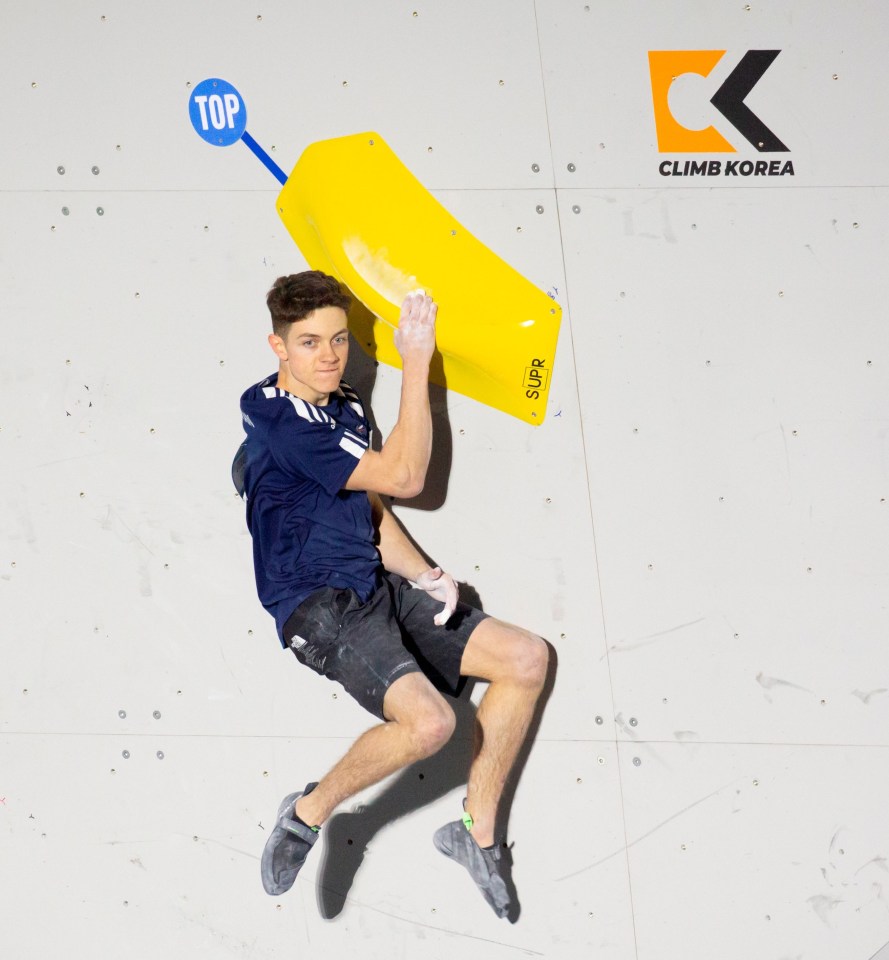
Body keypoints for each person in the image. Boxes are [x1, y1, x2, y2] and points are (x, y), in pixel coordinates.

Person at [237, 270, 549, 919]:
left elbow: (372, 505)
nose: (327, 355)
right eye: (308, 342)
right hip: (316, 603)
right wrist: (415, 362)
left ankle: (476, 835)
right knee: (429, 723)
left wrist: (424, 574)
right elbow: (407, 475)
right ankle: (304, 814)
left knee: (525, 659)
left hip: (372, 586)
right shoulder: (283, 424)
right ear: (277, 348)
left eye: (338, 340)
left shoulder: (344, 404)